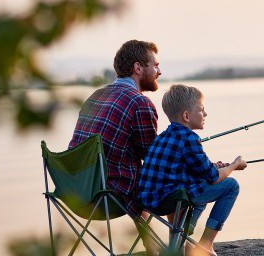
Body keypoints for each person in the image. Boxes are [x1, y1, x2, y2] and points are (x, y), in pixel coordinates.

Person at [68, 40, 161, 253]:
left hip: (76, 190)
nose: (159, 71)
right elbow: (152, 159)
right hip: (107, 196)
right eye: (155, 65)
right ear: (138, 68)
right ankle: (173, 248)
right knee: (173, 181)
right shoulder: (140, 103)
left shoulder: (95, 96)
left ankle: (154, 248)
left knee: (135, 178)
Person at [138, 84, 248, 255]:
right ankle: (205, 244)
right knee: (231, 185)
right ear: (186, 116)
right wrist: (234, 165)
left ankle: (182, 240)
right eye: (201, 110)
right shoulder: (189, 138)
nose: (205, 114)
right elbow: (212, 177)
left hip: (149, 201)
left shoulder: (161, 137)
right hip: (171, 200)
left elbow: (193, 167)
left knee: (198, 183)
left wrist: (214, 166)